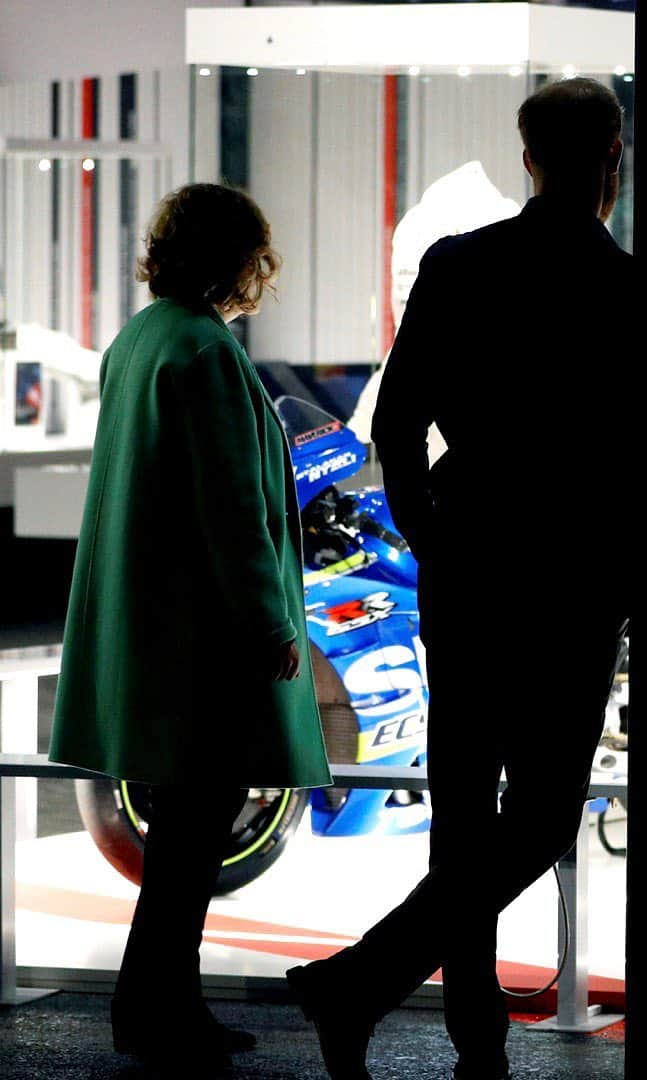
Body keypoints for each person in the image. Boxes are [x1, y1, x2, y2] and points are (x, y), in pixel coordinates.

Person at [286, 77, 632, 1080]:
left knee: (466, 809)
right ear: (615, 155)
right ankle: (376, 991)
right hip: (577, 582)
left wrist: (431, 537)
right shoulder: (632, 293)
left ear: (528, 159)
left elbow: (398, 426)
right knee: (537, 821)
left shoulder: (460, 265)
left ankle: (420, 1011)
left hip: (471, 564)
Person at [49, 183, 332, 1073]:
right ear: (237, 258)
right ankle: (161, 1016)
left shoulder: (141, 339)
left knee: (176, 844)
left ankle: (159, 1012)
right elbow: (231, 507)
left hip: (154, 631)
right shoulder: (205, 350)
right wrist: (268, 619)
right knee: (189, 851)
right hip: (204, 643)